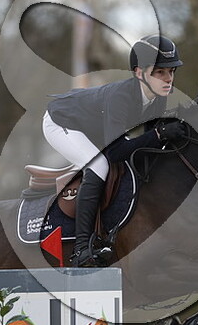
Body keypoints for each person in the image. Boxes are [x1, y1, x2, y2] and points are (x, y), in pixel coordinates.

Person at [43, 34, 189, 267]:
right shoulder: (122, 97)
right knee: (99, 166)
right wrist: (160, 134)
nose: (168, 78)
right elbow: (116, 152)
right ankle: (81, 249)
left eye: (171, 71)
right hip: (61, 121)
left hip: (94, 126)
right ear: (139, 73)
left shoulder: (158, 97)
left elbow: (148, 147)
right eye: (160, 72)